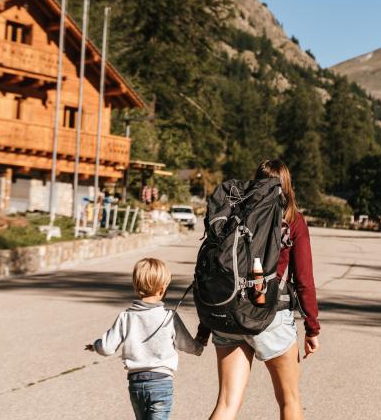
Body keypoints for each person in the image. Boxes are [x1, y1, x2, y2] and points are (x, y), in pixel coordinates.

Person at [203, 159, 320, 420]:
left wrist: (206, 325)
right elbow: (303, 280)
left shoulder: (234, 215)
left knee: (226, 404)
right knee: (289, 401)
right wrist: (312, 328)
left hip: (229, 315)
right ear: (287, 185)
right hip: (270, 315)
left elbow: (215, 271)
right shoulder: (293, 221)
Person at [86, 257, 204, 420]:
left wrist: (95, 345)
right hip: (161, 384)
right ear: (163, 289)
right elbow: (188, 345)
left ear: (136, 286)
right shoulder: (169, 317)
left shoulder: (125, 317)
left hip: (136, 384)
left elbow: (106, 347)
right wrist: (199, 346)